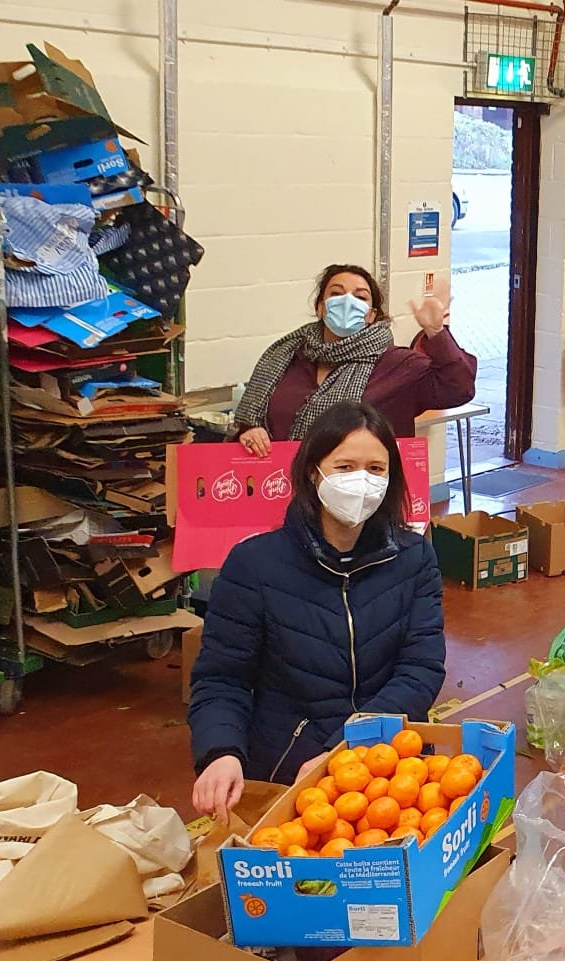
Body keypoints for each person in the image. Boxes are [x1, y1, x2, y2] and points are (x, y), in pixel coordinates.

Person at [189, 402, 446, 819]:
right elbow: (222, 678)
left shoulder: (413, 558)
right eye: (344, 466)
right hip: (288, 772)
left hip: (387, 766)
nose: (361, 480)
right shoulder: (254, 565)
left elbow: (421, 670)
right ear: (314, 471)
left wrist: (346, 750)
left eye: (375, 469)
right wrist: (220, 752)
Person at [233, 264, 474, 455]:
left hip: (365, 501)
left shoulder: (396, 365)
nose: (347, 301)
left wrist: (436, 332)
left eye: (360, 297)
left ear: (371, 315)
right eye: (336, 293)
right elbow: (255, 420)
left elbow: (459, 389)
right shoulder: (286, 356)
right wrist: (250, 431)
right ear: (320, 307)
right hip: (283, 491)